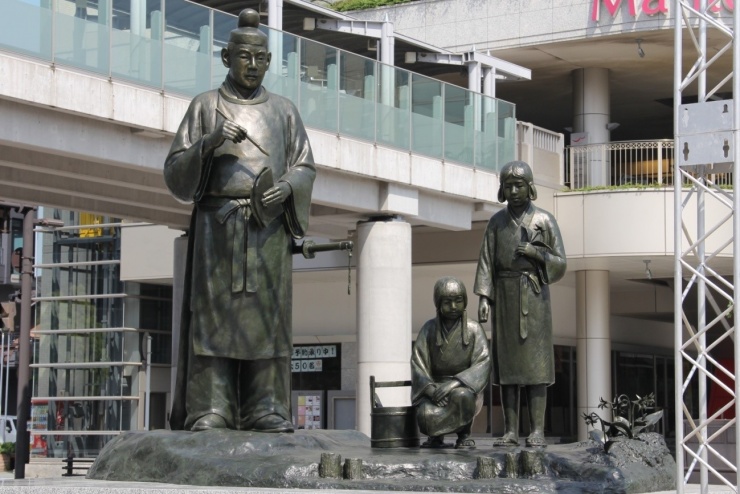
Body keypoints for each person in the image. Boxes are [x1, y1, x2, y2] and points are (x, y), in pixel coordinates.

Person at [164, 9, 315, 433]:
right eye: (244, 56)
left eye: (260, 58)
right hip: (218, 227)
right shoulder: (205, 106)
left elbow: (304, 166)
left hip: (267, 229)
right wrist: (210, 143)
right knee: (213, 319)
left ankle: (266, 407)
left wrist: (287, 188)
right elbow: (174, 172)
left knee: (267, 320)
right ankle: (211, 407)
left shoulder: (284, 111)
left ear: (270, 61)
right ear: (226, 57)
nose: (252, 65)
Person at [474, 160, 566, 448]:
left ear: (530, 187)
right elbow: (487, 260)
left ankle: (537, 430)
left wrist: (537, 254)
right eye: (508, 186)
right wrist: (484, 297)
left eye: (519, 186)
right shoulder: (496, 222)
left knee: (537, 368)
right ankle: (510, 431)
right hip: (504, 296)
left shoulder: (545, 220)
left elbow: (561, 262)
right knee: (508, 368)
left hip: (535, 296)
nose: (513, 191)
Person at [411, 277, 491, 449]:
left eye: (458, 301)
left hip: (463, 387)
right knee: (425, 412)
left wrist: (454, 384)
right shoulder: (429, 329)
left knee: (462, 397)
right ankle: (435, 437)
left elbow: (482, 362)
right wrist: (431, 390)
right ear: (438, 303)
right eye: (447, 302)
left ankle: (464, 435)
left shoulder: (474, 329)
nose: (453, 306)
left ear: (465, 301)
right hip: (434, 387)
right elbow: (418, 363)